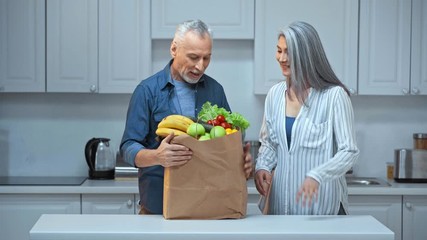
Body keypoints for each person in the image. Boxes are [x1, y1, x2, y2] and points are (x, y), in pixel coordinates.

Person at [120, 19, 253, 215]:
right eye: (193, 57)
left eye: (206, 58)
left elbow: (227, 139)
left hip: (208, 208)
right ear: (174, 49)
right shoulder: (147, 91)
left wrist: (242, 158)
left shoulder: (215, 90)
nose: (200, 66)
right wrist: (157, 156)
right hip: (158, 210)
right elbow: (128, 147)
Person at [254, 21, 359, 215]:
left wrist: (318, 175)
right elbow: (269, 144)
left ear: (307, 55)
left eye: (289, 52)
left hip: (323, 209)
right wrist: (263, 166)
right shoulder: (274, 95)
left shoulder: (334, 96)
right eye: (279, 51)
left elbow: (349, 151)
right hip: (282, 209)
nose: (282, 58)